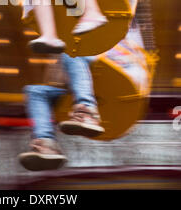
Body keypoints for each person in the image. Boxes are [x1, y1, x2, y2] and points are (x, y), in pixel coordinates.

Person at [18, 24, 149, 171]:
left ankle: (87, 110)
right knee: (35, 92)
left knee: (72, 53)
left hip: (120, 76)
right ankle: (47, 144)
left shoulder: (122, 32)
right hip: (93, 84)